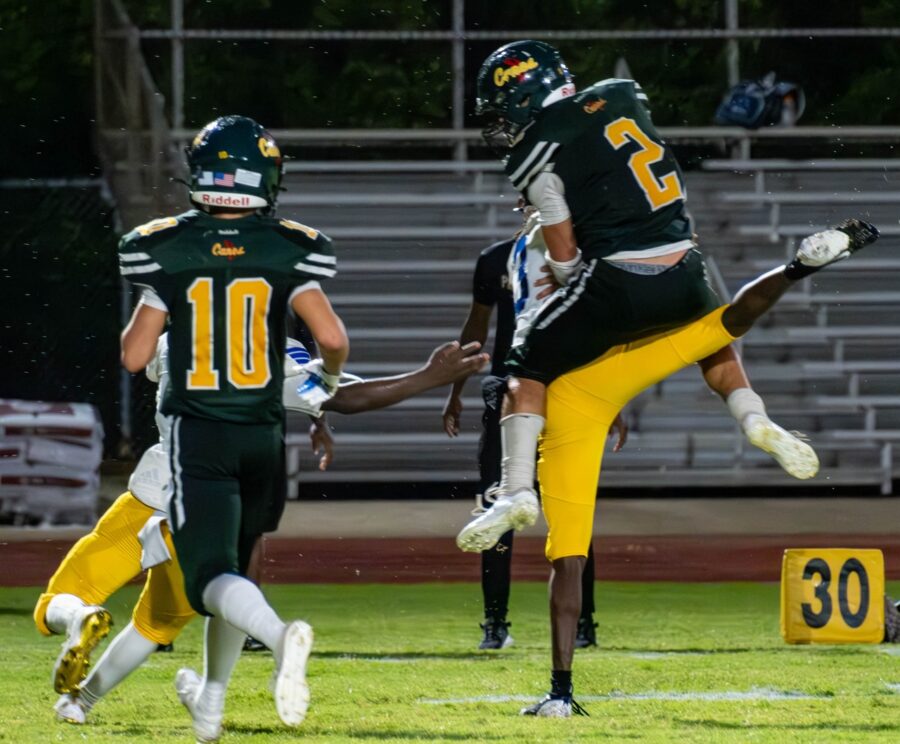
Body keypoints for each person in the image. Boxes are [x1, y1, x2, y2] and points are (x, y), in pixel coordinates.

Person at [455, 40, 880, 716]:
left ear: (522, 99)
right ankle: (757, 406)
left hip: (593, 364)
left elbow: (563, 260)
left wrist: (578, 272)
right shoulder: (621, 98)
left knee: (525, 362)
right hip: (684, 264)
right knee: (718, 332)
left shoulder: (534, 160)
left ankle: (512, 495)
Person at [45, 334, 488, 729]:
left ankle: (82, 639)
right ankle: (89, 700)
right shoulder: (273, 350)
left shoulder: (176, 336)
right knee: (167, 618)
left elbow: (141, 359)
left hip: (157, 491)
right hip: (220, 499)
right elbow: (342, 393)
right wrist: (428, 376)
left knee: (71, 594)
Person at [446, 208, 818, 651]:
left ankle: (507, 614)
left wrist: (456, 387)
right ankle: (752, 413)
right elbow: (592, 302)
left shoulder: (523, 250)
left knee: (511, 494)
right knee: (719, 331)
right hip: (582, 378)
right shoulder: (583, 238)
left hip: (528, 382)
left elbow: (500, 324)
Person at [116, 114, 352, 737]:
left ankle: (279, 637)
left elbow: (135, 358)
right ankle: (212, 706)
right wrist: (324, 384)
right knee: (235, 569)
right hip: (262, 435)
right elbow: (331, 338)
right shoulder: (287, 246)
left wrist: (162, 300)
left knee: (208, 580)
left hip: (201, 433)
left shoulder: (169, 246)